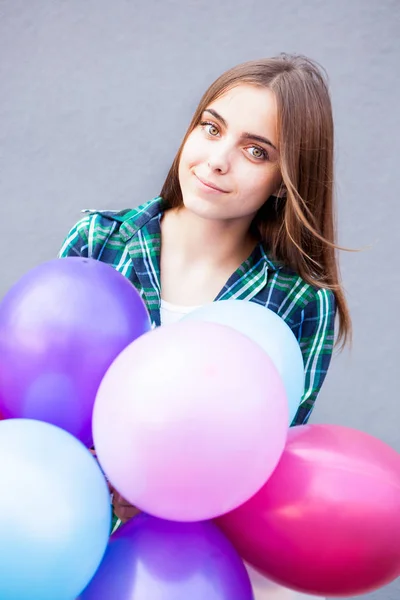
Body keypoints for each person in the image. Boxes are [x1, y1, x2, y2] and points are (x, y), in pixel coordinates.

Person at [58, 53, 351, 526]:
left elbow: (266, 473)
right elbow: (42, 393)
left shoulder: (300, 303)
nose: (217, 161)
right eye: (212, 129)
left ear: (284, 182)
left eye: (256, 151)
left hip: (187, 560)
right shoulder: (99, 240)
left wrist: (168, 496)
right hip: (62, 527)